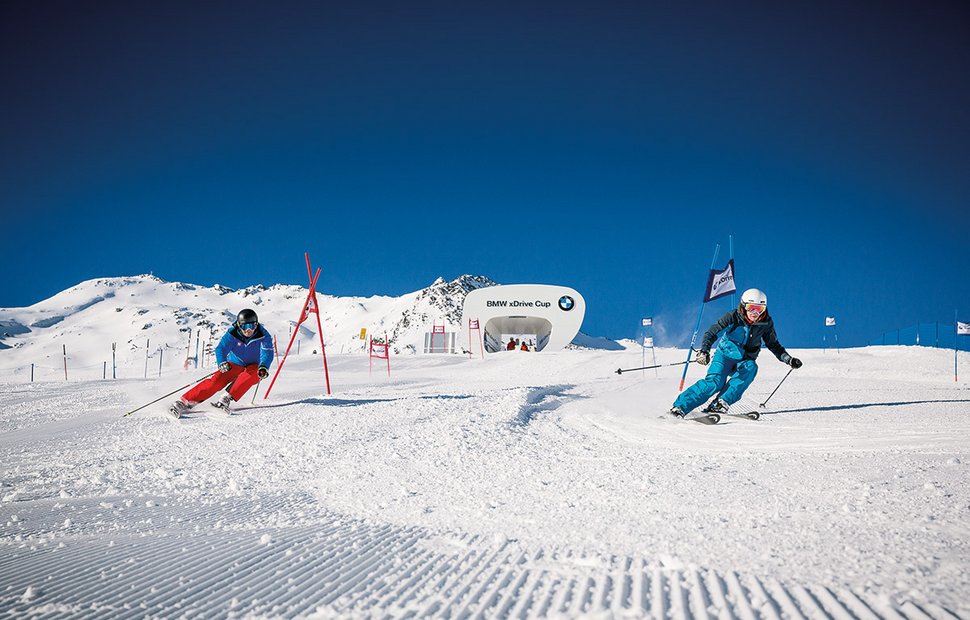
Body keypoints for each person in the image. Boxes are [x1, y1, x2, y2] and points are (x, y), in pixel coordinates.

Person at [669, 288, 801, 417]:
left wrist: (788, 359)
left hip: (744, 360)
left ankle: (721, 403)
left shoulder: (766, 323)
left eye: (759, 309)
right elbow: (712, 333)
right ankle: (680, 407)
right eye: (751, 308)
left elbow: (773, 344)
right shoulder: (733, 317)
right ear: (744, 306)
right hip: (724, 356)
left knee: (751, 368)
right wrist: (704, 351)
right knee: (715, 382)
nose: (755, 313)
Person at [170, 308, 274, 417]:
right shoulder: (232, 333)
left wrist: (264, 366)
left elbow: (267, 352)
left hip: (253, 365)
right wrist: (222, 362)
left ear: (256, 325)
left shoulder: (263, 335)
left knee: (255, 373)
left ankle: (226, 399)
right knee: (217, 381)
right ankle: (184, 402)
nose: (248, 330)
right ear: (239, 325)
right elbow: (221, 349)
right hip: (234, 363)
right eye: (244, 326)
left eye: (251, 326)